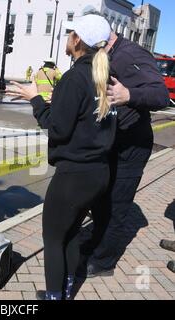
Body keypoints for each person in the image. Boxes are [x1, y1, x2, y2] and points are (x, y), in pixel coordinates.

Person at [7, 15, 116, 300]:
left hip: (74, 177)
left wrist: (35, 99)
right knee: (70, 234)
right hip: (98, 174)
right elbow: (86, 118)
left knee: (53, 239)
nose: (67, 37)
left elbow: (57, 129)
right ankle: (66, 290)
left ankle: (54, 296)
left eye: (70, 33)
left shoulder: (74, 77)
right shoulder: (104, 76)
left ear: (77, 40)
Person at [79, 28, 170, 278]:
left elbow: (161, 95)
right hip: (111, 143)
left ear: (103, 41)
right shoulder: (105, 56)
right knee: (99, 201)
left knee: (116, 206)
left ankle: (104, 261)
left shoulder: (131, 54)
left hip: (131, 147)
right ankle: (97, 242)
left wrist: (129, 94)